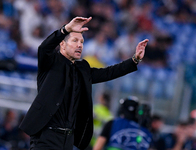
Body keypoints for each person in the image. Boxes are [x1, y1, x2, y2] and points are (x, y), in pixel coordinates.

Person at [19, 16, 149, 150]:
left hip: (68, 139)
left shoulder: (82, 69)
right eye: (75, 40)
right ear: (62, 44)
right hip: (46, 136)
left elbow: (108, 72)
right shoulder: (51, 62)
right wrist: (65, 30)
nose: (79, 45)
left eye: (82, 42)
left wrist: (134, 60)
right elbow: (44, 48)